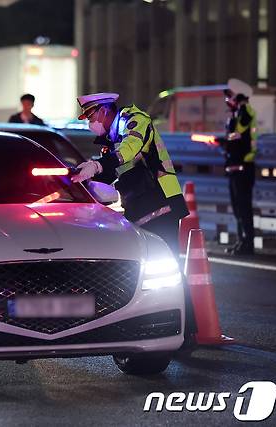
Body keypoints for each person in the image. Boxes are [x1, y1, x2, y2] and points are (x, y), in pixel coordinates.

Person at [71, 93, 196, 342]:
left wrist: (97, 166)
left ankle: (187, 330)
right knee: (147, 273)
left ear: (106, 110)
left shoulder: (133, 119)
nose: (90, 122)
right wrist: (77, 177)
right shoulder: (109, 140)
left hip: (162, 204)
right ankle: (157, 325)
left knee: (168, 270)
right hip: (138, 211)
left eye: (91, 115)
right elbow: (109, 173)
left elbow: (130, 149)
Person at [221, 78, 257, 255]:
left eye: (230, 97)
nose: (228, 101)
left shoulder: (246, 112)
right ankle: (241, 242)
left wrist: (241, 104)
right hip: (234, 169)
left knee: (244, 208)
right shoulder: (236, 115)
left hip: (244, 168)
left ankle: (248, 244)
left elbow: (240, 133)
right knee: (237, 209)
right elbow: (232, 139)